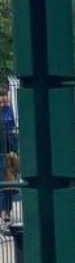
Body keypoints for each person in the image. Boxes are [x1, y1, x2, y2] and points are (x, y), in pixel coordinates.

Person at [0, 88, 18, 227]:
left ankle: (6, 212)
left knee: (8, 183)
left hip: (8, 152)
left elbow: (12, 131)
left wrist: (13, 150)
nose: (2, 104)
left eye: (4, 101)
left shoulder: (9, 111)